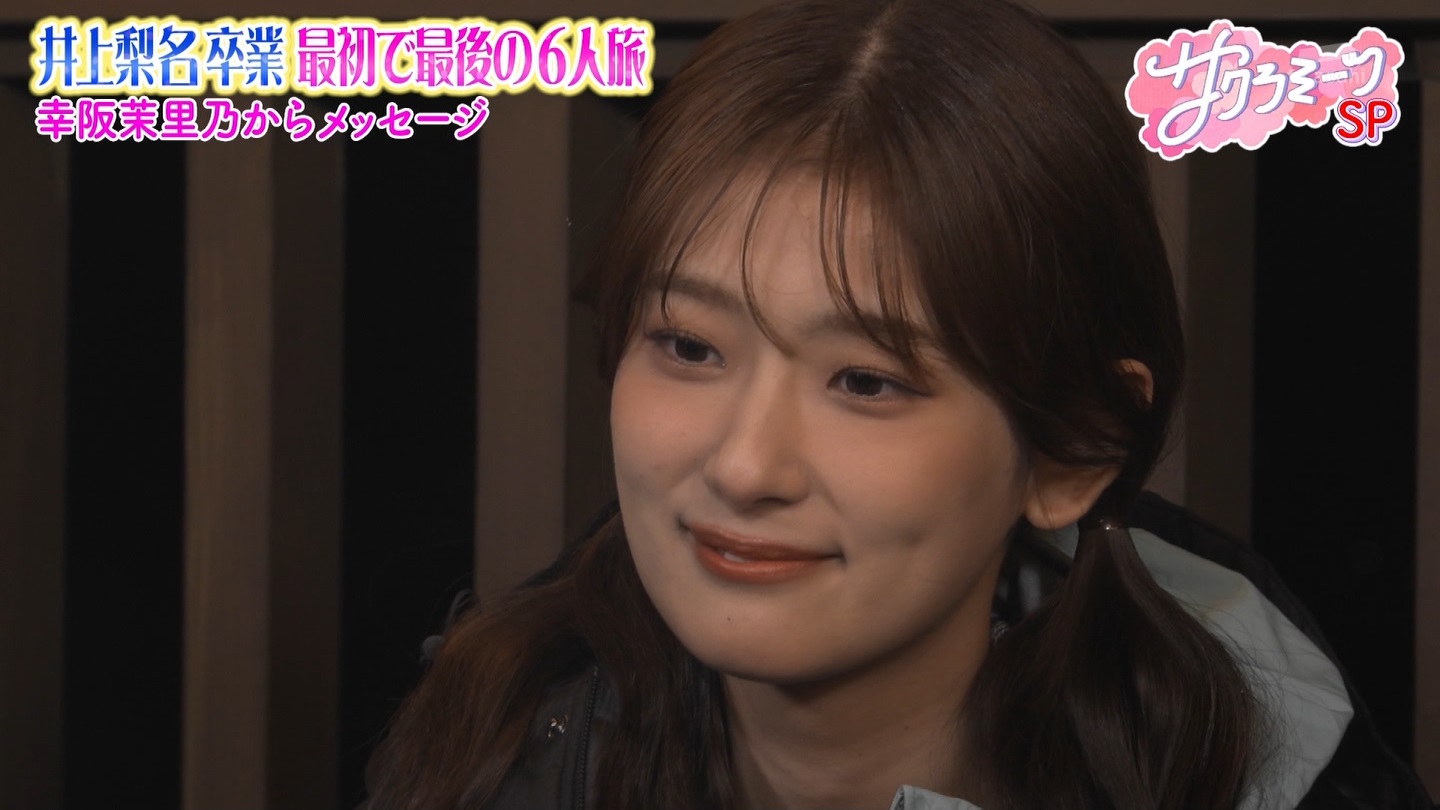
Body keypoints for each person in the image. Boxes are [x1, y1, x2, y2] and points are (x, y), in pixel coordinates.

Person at [359, 0, 1437, 807]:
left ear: (1076, 446)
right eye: (688, 346)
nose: (744, 466)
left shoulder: (1244, 769)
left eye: (864, 381)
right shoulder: (491, 747)